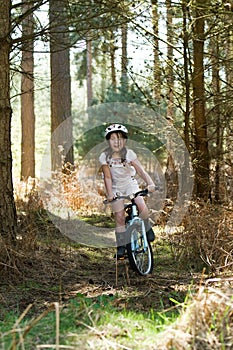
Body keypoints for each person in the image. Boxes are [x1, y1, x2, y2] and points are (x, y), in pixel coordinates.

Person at [99, 123, 156, 259]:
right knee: (119, 217)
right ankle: (121, 246)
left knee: (141, 205)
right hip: (115, 186)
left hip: (129, 184)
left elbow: (141, 171)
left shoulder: (129, 154)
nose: (116, 142)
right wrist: (110, 194)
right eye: (113, 139)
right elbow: (107, 177)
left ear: (124, 141)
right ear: (108, 141)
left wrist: (150, 183)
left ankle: (147, 226)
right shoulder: (104, 156)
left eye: (119, 138)